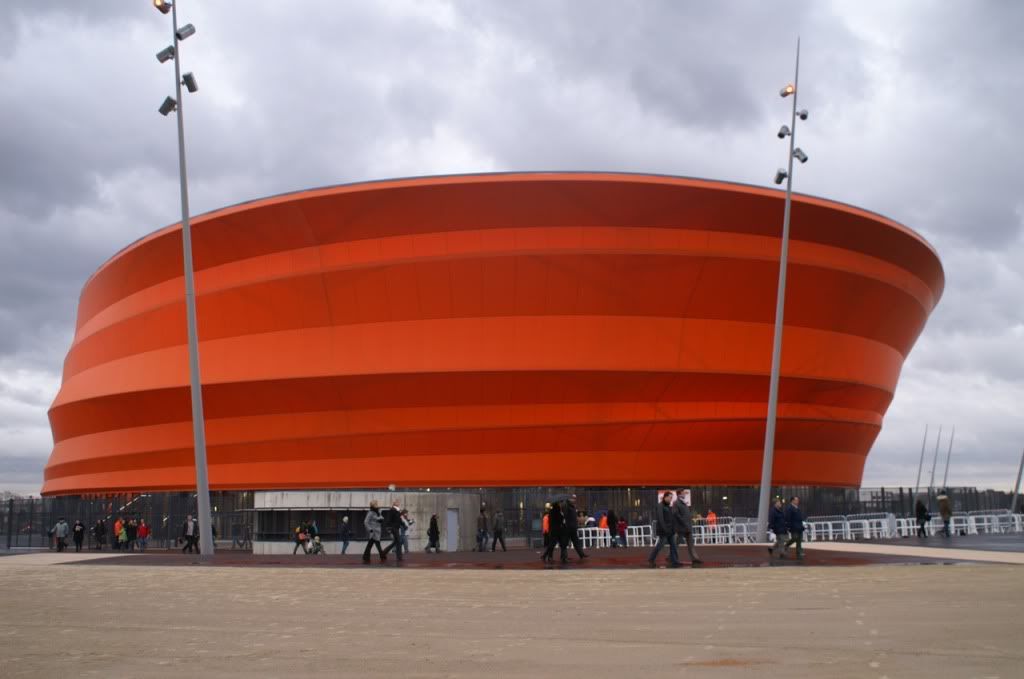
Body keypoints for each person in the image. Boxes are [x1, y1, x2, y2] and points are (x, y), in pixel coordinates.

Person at [648, 492, 680, 567]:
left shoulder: (669, 506)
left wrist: (673, 529)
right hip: (664, 531)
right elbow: (660, 519)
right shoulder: (660, 506)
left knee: (673, 546)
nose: (670, 499)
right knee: (660, 546)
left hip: (670, 531)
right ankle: (651, 559)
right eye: (669, 497)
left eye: (671, 498)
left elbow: (671, 519)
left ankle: (674, 561)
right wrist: (665, 529)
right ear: (665, 497)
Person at [672, 489, 702, 565]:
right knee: (676, 544)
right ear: (679, 494)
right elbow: (676, 514)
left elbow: (686, 515)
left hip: (687, 527)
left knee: (691, 544)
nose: (684, 494)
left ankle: (695, 559)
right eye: (683, 493)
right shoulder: (676, 503)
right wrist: (683, 522)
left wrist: (691, 518)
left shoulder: (684, 503)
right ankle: (671, 557)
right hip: (681, 527)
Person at [564, 495, 588, 559]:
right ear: (569, 499)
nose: (574, 500)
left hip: (573, 527)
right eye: (573, 499)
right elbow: (566, 516)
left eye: (574, 499)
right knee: (565, 542)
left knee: (576, 542)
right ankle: (564, 556)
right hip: (569, 527)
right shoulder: (567, 507)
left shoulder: (573, 507)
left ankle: (581, 554)